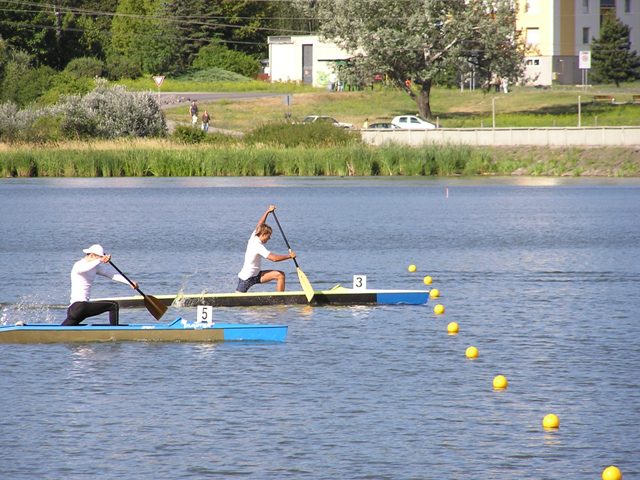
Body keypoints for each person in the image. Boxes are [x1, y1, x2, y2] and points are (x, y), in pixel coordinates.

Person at [61, 244, 138, 326]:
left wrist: (129, 282)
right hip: (78, 306)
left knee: (62, 331)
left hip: (78, 310)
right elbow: (84, 269)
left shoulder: (95, 267)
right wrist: (100, 260)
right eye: (98, 257)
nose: (99, 260)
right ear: (91, 255)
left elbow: (112, 275)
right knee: (113, 305)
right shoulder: (79, 265)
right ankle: (115, 332)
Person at [236, 205, 296, 293]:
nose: (269, 238)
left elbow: (260, 224)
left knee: (280, 275)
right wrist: (289, 256)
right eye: (268, 236)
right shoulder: (257, 245)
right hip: (246, 278)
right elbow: (273, 259)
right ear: (263, 234)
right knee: (238, 297)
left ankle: (280, 300)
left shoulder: (254, 236)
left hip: (257, 275)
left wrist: (267, 211)